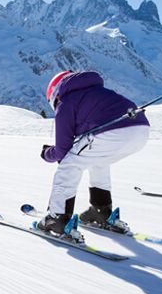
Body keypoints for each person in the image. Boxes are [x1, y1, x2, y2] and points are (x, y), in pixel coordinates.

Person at [36, 70, 150, 239]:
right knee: (98, 160)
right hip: (141, 130)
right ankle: (100, 210)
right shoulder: (94, 92)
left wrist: (47, 154)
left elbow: (62, 150)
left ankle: (57, 218)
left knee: (70, 165)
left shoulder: (66, 101)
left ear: (54, 93)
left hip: (113, 132)